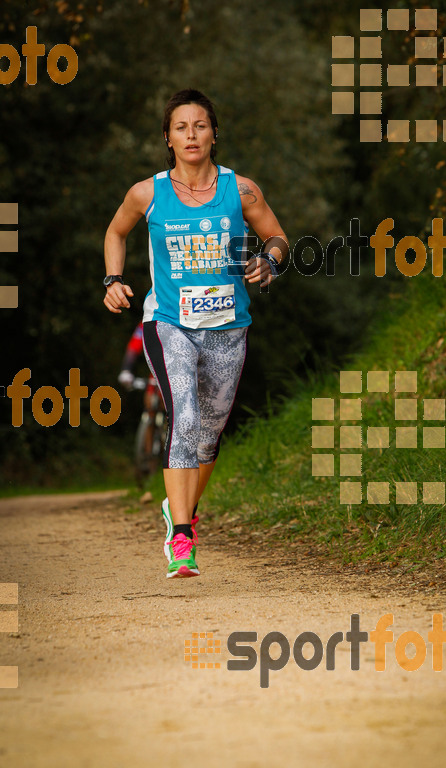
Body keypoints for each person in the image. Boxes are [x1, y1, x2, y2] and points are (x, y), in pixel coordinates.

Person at [103, 88, 288, 579]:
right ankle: (182, 536)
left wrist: (268, 261)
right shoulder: (147, 193)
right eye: (181, 127)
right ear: (168, 137)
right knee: (182, 415)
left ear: (213, 134)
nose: (191, 134)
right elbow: (115, 232)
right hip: (169, 323)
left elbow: (278, 237)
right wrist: (114, 279)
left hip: (229, 327)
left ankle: (176, 506)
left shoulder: (241, 190)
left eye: (200, 125)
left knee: (208, 436)